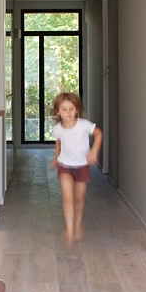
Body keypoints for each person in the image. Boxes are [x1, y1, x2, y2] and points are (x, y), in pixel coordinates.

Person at [49, 92, 102, 245]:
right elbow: (59, 142)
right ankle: (69, 229)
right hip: (64, 165)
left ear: (76, 110)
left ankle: (78, 224)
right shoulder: (57, 129)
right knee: (67, 197)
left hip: (81, 166)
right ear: (58, 111)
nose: (68, 113)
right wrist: (56, 157)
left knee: (79, 199)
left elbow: (98, 134)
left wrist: (94, 151)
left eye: (71, 109)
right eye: (64, 109)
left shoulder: (84, 125)